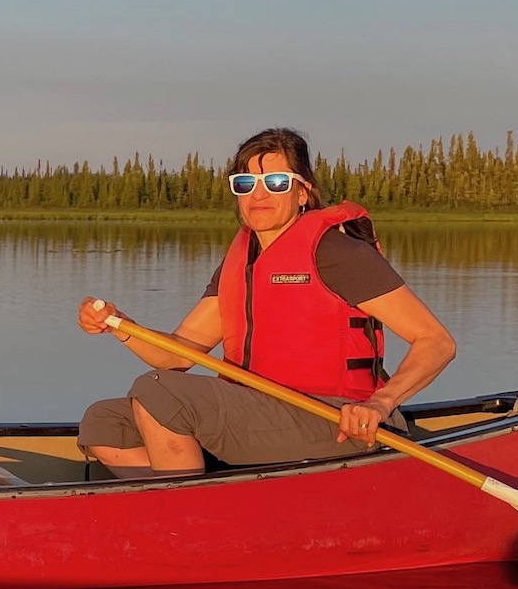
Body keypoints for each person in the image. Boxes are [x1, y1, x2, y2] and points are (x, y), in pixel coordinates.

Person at [76, 127, 457, 476]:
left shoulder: (336, 252)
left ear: (302, 192)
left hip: (334, 418)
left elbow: (436, 342)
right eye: (245, 183)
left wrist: (380, 403)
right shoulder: (241, 260)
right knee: (104, 423)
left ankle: (191, 518)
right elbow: (178, 355)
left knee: (157, 390)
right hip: (260, 414)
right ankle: (214, 490)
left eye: (276, 182)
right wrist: (120, 325)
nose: (258, 194)